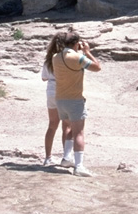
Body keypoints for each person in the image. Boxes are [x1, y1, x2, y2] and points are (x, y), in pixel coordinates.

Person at [50, 30, 102, 177]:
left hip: (60, 99)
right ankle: (79, 166)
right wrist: (87, 51)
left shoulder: (55, 57)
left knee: (70, 129)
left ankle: (67, 158)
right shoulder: (78, 57)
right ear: (76, 43)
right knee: (79, 132)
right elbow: (97, 67)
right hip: (75, 100)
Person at [41, 30, 73, 168]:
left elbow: (44, 78)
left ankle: (48, 158)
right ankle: (66, 157)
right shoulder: (67, 58)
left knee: (52, 125)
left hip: (51, 92)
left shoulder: (49, 59)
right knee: (67, 125)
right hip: (64, 92)